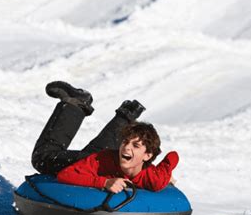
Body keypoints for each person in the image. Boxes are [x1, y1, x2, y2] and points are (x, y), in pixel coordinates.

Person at [31, 81, 179, 193]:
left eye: (136, 145)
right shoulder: (99, 160)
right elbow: (65, 175)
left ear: (147, 155)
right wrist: (103, 183)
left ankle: (127, 115)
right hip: (96, 161)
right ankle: (75, 103)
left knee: (109, 153)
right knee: (43, 158)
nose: (127, 146)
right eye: (125, 142)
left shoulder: (153, 178)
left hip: (109, 157)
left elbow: (172, 157)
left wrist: (166, 176)